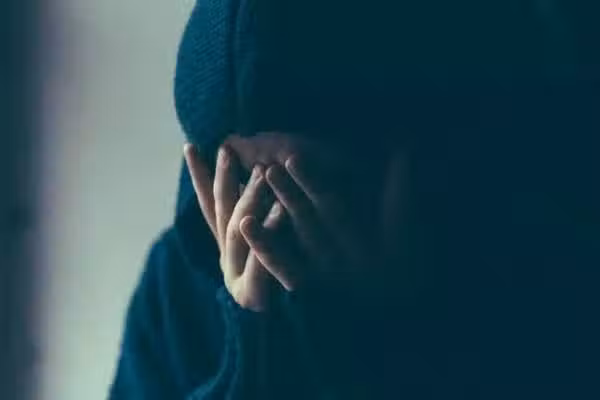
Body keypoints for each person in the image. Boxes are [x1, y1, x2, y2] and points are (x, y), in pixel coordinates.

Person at [110, 1, 599, 399]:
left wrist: (384, 338)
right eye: (243, 182)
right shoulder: (175, 284)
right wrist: (252, 361)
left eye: (315, 185)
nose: (267, 226)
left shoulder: (541, 264)